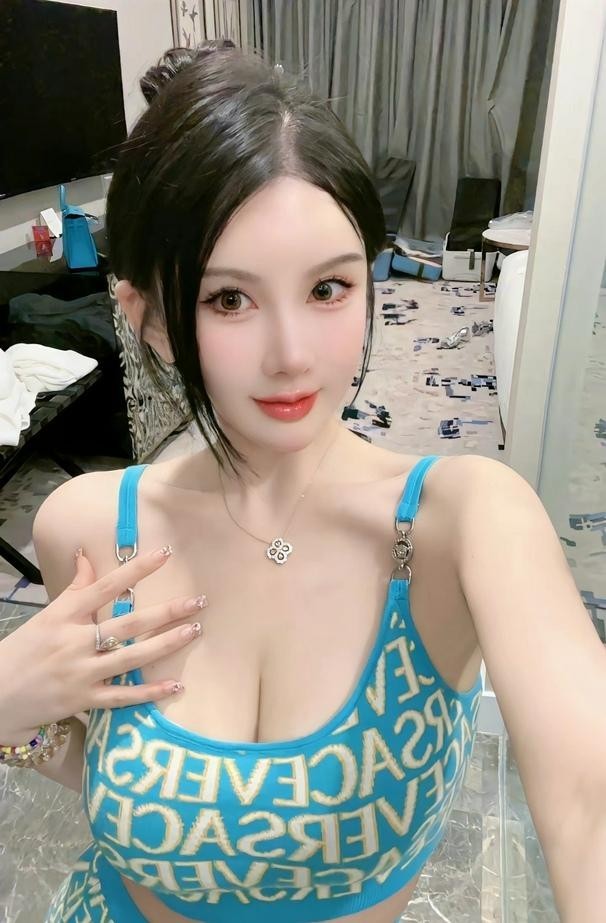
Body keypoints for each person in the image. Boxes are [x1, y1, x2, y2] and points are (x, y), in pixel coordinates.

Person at [0, 41, 604, 923]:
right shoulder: (86, 528)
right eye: (229, 299)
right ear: (149, 317)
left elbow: (590, 803)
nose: (292, 356)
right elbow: (100, 763)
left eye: (328, 288)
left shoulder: (466, 520)